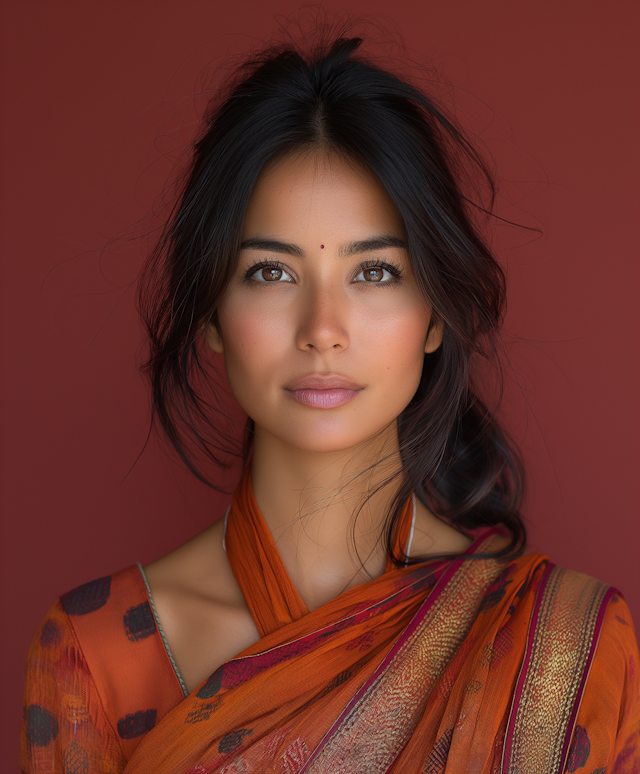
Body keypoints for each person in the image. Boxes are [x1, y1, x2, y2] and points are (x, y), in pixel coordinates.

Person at [20, 28, 639, 774]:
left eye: (374, 273)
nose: (322, 331)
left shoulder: (568, 645)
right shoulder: (100, 653)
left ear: (437, 315)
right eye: (271, 275)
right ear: (211, 316)